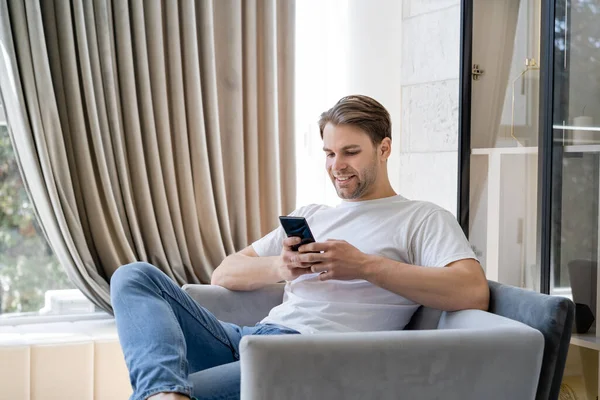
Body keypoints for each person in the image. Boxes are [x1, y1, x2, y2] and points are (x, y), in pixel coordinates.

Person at [111, 95, 489, 400]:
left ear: (384, 148)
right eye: (329, 153)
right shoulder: (311, 214)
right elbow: (224, 272)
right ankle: (164, 392)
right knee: (133, 276)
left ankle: (163, 391)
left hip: (307, 359)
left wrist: (363, 266)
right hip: (248, 339)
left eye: (350, 152)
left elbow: (472, 291)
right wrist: (283, 267)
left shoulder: (421, 218)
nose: (336, 165)